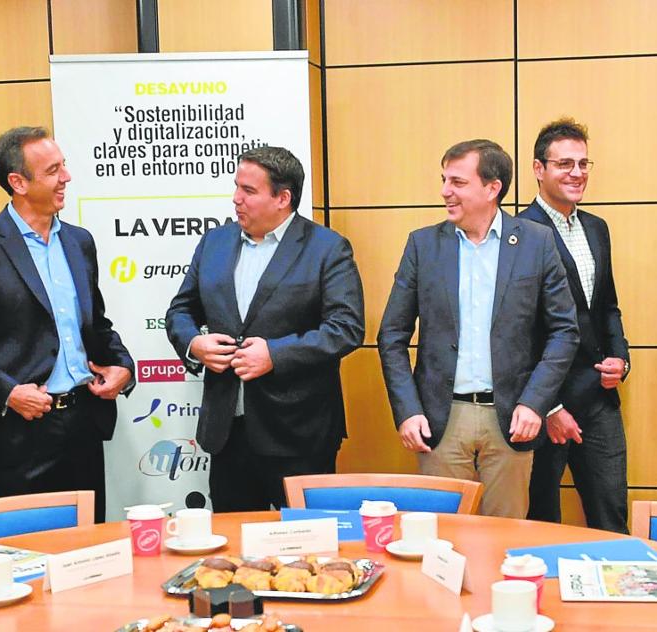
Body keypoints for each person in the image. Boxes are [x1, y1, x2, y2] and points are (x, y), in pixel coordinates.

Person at [0, 126, 133, 523]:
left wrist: (122, 366)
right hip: (20, 433)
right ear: (18, 183)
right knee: (30, 555)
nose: (67, 178)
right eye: (53, 170)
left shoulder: (80, 242)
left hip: (83, 423)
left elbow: (96, 323)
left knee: (88, 553)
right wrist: (8, 393)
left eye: (64, 166)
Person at [378, 139, 579, 519]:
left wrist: (535, 402)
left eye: (457, 182)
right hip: (440, 418)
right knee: (443, 541)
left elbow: (564, 331)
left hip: (511, 420)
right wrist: (407, 410)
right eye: (444, 180)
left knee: (505, 539)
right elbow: (391, 335)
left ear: (492, 188)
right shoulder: (423, 245)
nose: (445, 192)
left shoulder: (536, 243)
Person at [166, 145, 365, 512]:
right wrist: (195, 343)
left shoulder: (326, 248)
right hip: (228, 430)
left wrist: (275, 354)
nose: (236, 199)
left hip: (299, 432)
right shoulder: (215, 242)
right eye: (237, 187)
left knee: (307, 547)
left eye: (249, 191)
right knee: (236, 548)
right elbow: (180, 310)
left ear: (283, 198)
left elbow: (347, 328)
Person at [520, 119, 630, 533]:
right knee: (542, 523)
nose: (577, 173)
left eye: (584, 163)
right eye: (565, 163)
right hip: (545, 404)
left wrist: (621, 358)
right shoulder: (520, 233)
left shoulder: (596, 228)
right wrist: (548, 406)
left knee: (611, 518)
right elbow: (518, 332)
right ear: (538, 169)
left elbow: (608, 307)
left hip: (600, 399)